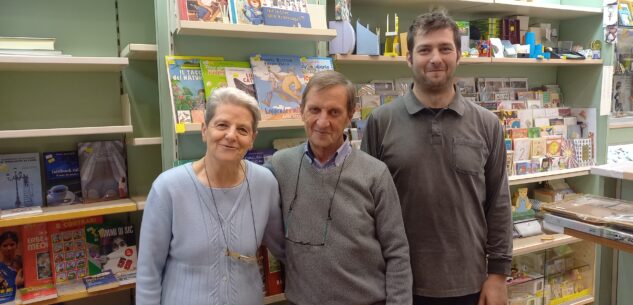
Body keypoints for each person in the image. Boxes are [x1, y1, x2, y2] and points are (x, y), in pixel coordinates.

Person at [361, 10, 512, 305]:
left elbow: (499, 203)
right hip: (399, 285)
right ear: (408, 58)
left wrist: (497, 275)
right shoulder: (381, 122)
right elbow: (365, 207)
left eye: (445, 48)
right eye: (424, 49)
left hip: (469, 283)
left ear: (459, 55)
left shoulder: (487, 124)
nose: (435, 58)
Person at [268, 70, 412, 305]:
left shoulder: (375, 174)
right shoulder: (280, 166)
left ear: (349, 116)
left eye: (334, 112)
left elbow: (397, 252)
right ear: (302, 110)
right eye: (315, 110)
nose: (322, 122)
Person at [136, 87, 284, 305]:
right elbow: (148, 273)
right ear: (204, 130)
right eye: (222, 125)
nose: (231, 135)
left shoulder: (265, 183)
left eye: (242, 130)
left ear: (252, 138)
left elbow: (283, 246)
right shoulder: (168, 188)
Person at [0, 230, 23, 303]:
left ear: (17, 245)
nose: (9, 248)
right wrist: (16, 284)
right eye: (5, 245)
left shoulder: (22, 263)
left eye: (12, 244)